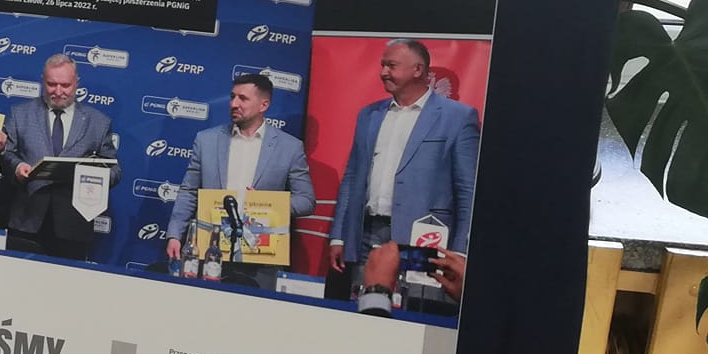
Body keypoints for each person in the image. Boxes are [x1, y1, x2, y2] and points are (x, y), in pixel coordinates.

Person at [327, 39, 480, 314]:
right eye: (382, 65)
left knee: (417, 317)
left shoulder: (458, 117)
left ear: (417, 70)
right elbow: (352, 177)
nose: (383, 72)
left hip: (425, 239)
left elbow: (468, 191)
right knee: (367, 313)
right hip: (366, 235)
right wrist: (338, 236)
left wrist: (460, 252)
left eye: (391, 65)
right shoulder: (369, 115)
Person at [165, 73, 315, 279]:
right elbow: (189, 192)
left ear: (264, 105)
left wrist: (267, 204)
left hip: (260, 255)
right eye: (232, 97)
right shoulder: (206, 141)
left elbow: (306, 201)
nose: (234, 104)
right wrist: (175, 234)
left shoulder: (290, 147)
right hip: (211, 250)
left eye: (243, 98)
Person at [2, 53, 119, 261]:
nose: (58, 91)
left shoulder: (98, 122)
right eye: (51, 84)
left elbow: (115, 170)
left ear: (76, 83)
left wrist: (92, 175)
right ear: (42, 81)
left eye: (65, 85)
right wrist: (18, 167)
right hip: (26, 220)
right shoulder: (20, 114)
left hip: (74, 224)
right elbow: (7, 154)